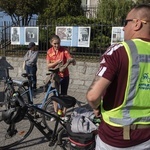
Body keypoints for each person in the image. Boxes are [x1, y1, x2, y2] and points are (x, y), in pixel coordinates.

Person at [86, 4, 150, 150]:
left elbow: (92, 96)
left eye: (125, 22)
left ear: (137, 23)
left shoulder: (119, 50)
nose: (123, 28)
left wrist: (96, 108)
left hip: (116, 138)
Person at [46, 34, 76, 113]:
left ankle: (64, 112)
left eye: (58, 43)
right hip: (55, 76)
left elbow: (70, 59)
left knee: (64, 94)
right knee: (55, 95)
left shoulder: (64, 50)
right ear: (51, 43)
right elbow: (48, 66)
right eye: (55, 43)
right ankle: (56, 112)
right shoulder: (49, 52)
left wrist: (70, 61)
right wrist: (56, 62)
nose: (57, 45)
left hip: (64, 76)